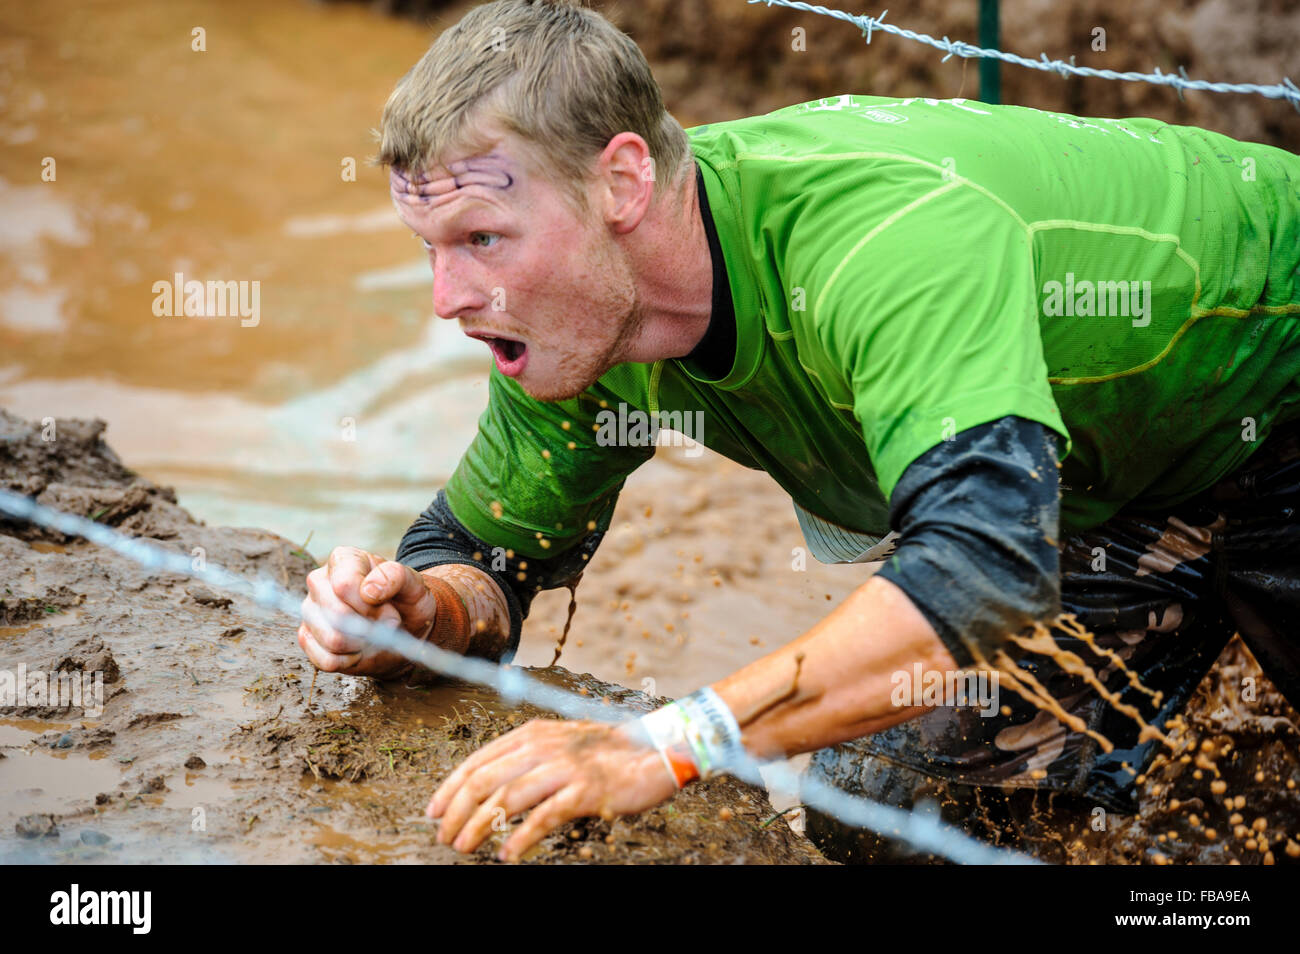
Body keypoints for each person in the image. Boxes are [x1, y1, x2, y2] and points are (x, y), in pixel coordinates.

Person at [296, 0, 1300, 862]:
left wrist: (668, 741)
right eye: (430, 248)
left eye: (480, 238)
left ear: (622, 183)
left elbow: (982, 566)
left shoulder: (876, 247)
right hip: (1103, 473)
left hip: (1276, 373)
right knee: (881, 810)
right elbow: (489, 552)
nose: (446, 299)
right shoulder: (574, 324)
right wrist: (416, 614)